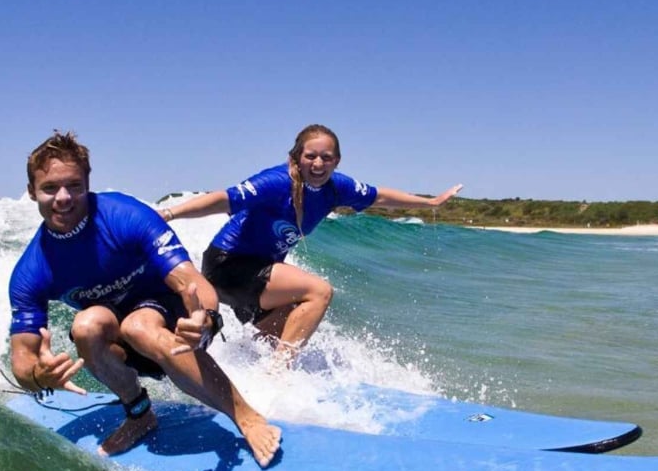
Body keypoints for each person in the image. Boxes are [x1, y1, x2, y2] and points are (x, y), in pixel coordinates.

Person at [8, 131, 282, 466]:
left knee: (140, 324)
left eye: (74, 186)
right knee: (86, 326)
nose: (63, 197)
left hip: (178, 323)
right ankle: (139, 414)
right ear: (32, 192)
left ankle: (246, 417)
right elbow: (22, 361)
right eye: (50, 188)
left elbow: (191, 281)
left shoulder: (125, 216)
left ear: (87, 183)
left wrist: (207, 318)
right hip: (122, 345)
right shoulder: (32, 269)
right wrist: (40, 376)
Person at [161, 124, 463, 357]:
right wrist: (171, 213)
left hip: (259, 271)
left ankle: (248, 374)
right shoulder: (276, 182)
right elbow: (223, 199)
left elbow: (380, 196)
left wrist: (431, 203)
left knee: (286, 328)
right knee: (319, 291)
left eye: (326, 157)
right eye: (311, 156)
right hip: (229, 266)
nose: (318, 163)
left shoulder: (336, 188)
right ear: (297, 157)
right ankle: (279, 373)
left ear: (337, 161)